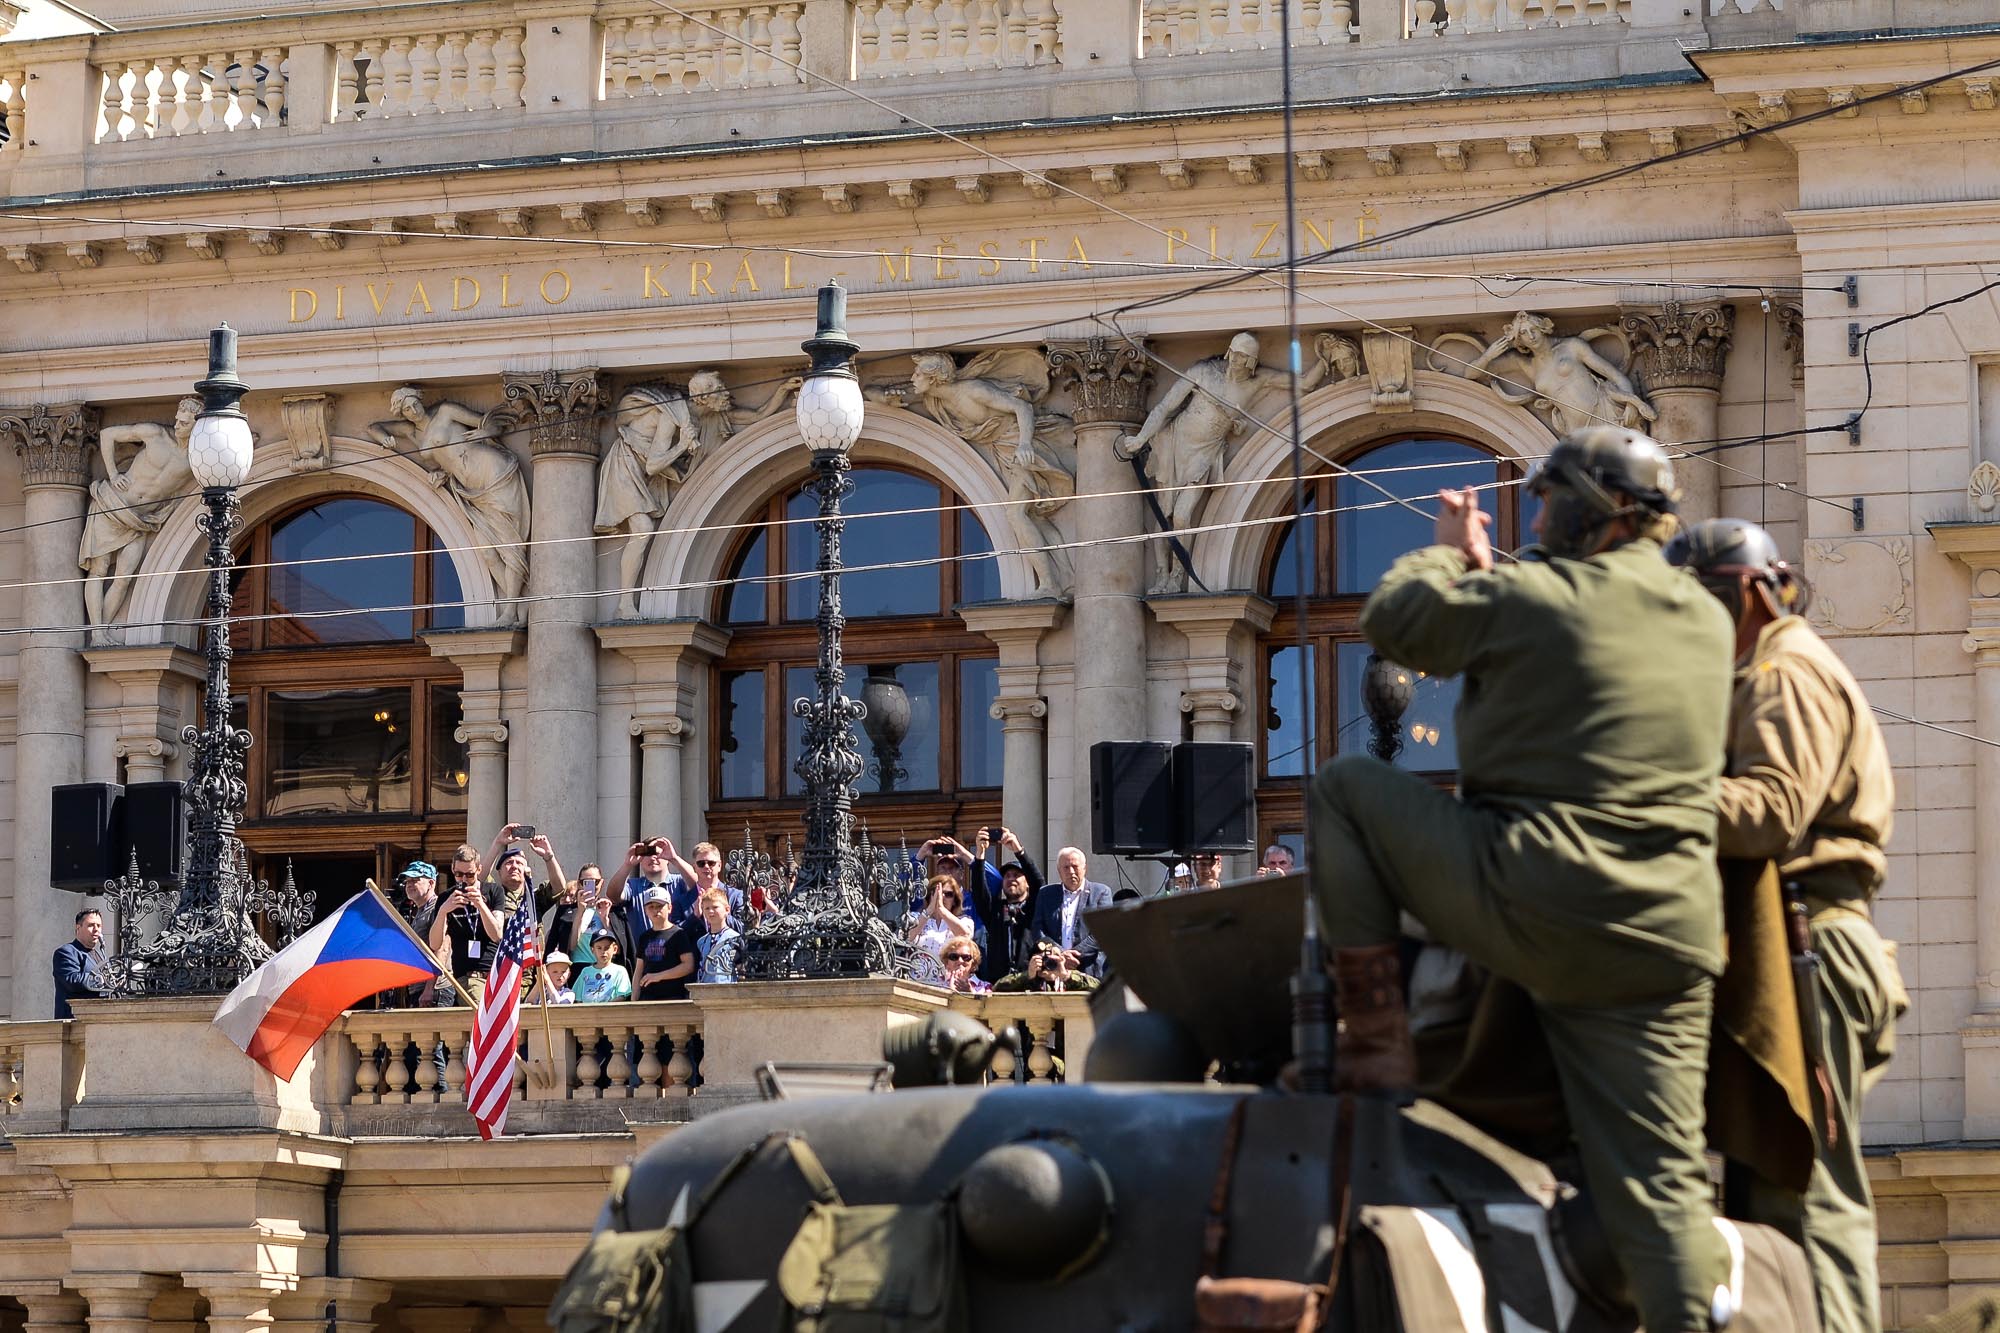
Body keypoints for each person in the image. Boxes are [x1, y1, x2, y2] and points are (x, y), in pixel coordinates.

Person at [1308, 426, 1739, 1333]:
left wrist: (1448, 556)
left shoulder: (1536, 594)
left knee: (1346, 788)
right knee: (1661, 1184)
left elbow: (1398, 623)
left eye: (1547, 500)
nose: (1535, 516)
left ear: (1593, 509)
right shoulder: (1705, 615)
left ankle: (1374, 1036)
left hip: (1537, 895)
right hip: (1668, 936)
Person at [1667, 517, 1907, 1333]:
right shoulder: (1776, 665)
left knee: (1811, 1198)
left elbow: (1770, 810)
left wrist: (1640, 799)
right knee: (1774, 1200)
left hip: (1807, 949)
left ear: (1739, 595)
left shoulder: (1781, 672)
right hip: (1793, 948)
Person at [81, 398, 198, 630]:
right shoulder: (155, 434)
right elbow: (107, 434)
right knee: (98, 571)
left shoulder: (196, 457)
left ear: (197, 425)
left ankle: (100, 630)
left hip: (140, 521)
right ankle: (97, 633)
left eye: (184, 423)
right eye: (177, 420)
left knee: (124, 578)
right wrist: (113, 474)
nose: (177, 426)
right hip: (112, 504)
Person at [428, 845, 504, 1005]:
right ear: (452, 869)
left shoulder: (493, 891)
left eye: (469, 875)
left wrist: (481, 906)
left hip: (493, 973)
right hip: (465, 977)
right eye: (458, 874)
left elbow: (497, 935)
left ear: (479, 870)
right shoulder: (446, 898)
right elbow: (435, 943)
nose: (463, 880)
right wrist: (443, 911)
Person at [1030, 847, 1114, 975]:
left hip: (1089, 970)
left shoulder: (1100, 892)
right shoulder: (1046, 894)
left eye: (1075, 866)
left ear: (1084, 868)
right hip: (1054, 970)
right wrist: (1060, 954)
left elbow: (1103, 931)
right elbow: (1037, 929)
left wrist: (1075, 955)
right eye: (1066, 867)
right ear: (1059, 871)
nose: (1071, 871)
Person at [387, 860, 442, 1007]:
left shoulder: (438, 909)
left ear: (431, 883)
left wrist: (430, 988)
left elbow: (441, 948)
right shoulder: (419, 911)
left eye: (415, 880)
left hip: (434, 990)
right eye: (408, 881)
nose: (409, 884)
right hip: (418, 987)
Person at [632, 889, 697, 1002]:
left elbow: (688, 965)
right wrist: (633, 1002)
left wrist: (658, 976)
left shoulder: (678, 934)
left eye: (659, 906)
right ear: (645, 910)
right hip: (647, 998)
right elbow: (638, 971)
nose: (655, 910)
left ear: (669, 908)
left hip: (673, 998)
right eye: (651, 907)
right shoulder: (644, 937)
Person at [53, 907, 109, 1019]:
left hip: (99, 1020)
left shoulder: (101, 956)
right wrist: (101, 979)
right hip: (75, 1021)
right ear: (78, 928)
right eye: (91, 925)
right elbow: (72, 980)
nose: (96, 929)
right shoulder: (66, 952)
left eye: (99, 926)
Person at [907, 877, 975, 961]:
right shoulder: (915, 917)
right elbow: (907, 937)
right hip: (919, 972)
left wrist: (942, 910)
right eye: (936, 892)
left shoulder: (964, 921)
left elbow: (965, 936)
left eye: (948, 894)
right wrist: (929, 911)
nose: (942, 897)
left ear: (954, 900)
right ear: (929, 896)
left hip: (949, 973)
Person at [994, 944, 1100, 994]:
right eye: (1043, 958)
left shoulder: (1070, 977)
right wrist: (1028, 976)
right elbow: (997, 987)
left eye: (1054, 958)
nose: (1048, 963)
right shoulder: (1029, 980)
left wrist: (1066, 976)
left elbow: (1099, 988)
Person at [693, 889, 741, 985]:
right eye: (706, 908)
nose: (711, 911)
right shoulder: (701, 942)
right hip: (705, 989)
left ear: (727, 909)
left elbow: (740, 966)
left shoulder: (735, 938)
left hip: (727, 989)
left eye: (715, 907)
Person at [573, 932, 633, 1003]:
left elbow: (622, 996)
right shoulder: (585, 971)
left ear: (615, 949)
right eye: (599, 948)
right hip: (588, 1012)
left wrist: (604, 1008)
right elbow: (577, 997)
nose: (603, 952)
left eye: (607, 948)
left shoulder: (620, 971)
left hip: (610, 1012)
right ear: (593, 950)